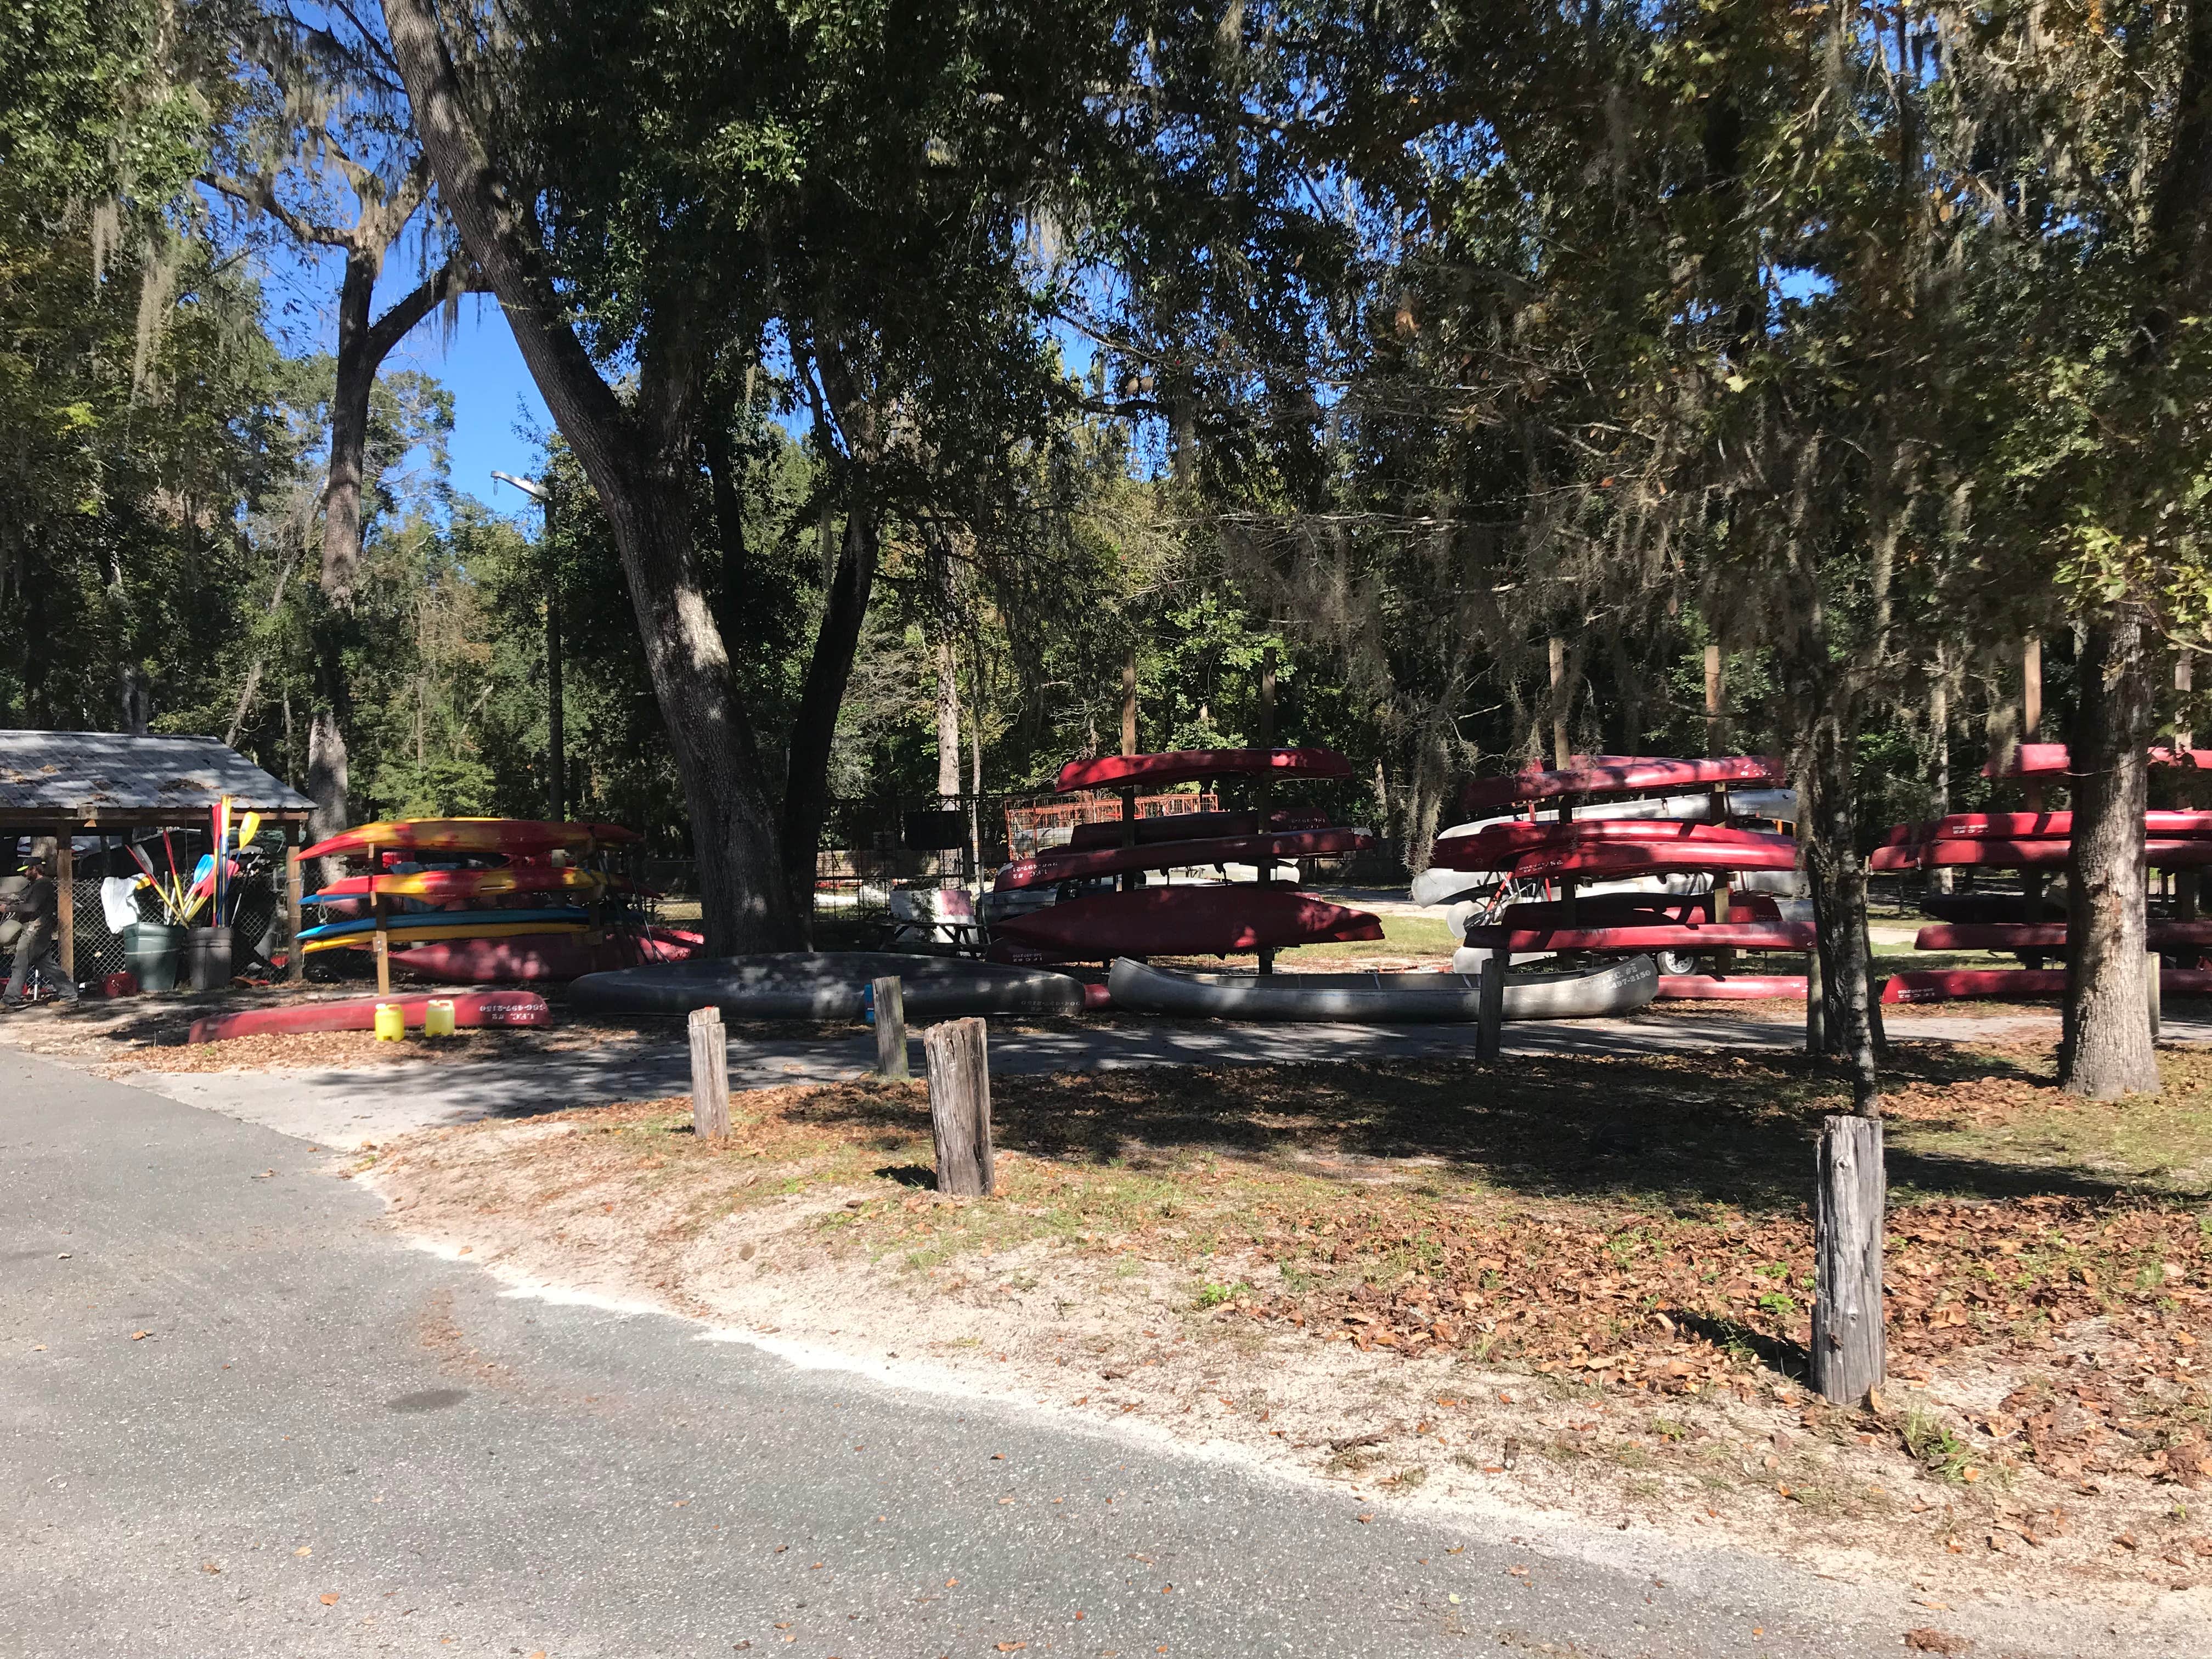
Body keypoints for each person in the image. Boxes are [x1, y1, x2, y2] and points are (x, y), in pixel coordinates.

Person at [4, 854, 81, 1009]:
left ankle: (9, 1001)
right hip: (37, 931)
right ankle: (69, 996)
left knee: (19, 965)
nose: (24, 874)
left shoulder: (43, 885)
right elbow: (26, 902)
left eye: (27, 870)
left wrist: (7, 908)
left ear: (35, 869)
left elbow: (32, 907)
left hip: (35, 931)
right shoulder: (37, 885)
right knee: (47, 966)